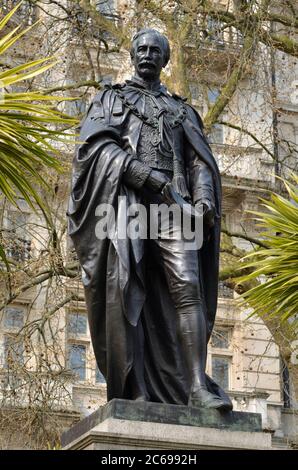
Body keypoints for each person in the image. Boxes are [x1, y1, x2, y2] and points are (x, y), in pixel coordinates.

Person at [67, 28, 232, 411]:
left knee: (189, 287)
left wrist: (204, 199)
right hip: (126, 206)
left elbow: (198, 162)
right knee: (126, 290)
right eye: (140, 48)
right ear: (131, 55)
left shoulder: (182, 111)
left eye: (154, 50)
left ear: (165, 59)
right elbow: (95, 149)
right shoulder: (111, 99)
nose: (146, 55)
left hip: (177, 210)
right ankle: (134, 387)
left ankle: (196, 388)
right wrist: (144, 175)